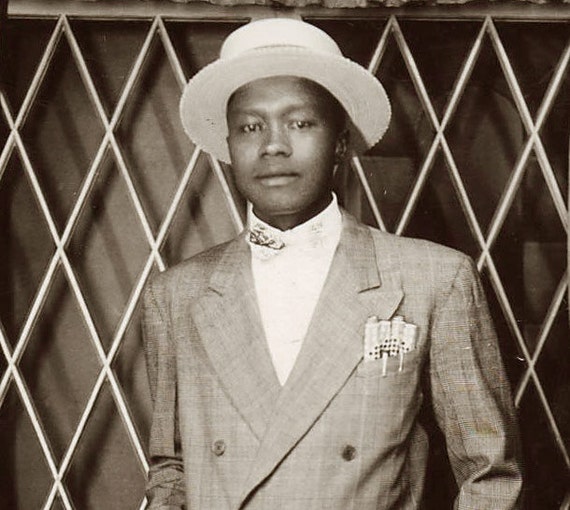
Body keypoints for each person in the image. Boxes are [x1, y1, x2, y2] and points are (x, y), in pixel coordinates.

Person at [142, 17, 523, 509]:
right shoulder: (176, 294)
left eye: (300, 123)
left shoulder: (434, 278)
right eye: (250, 126)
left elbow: (489, 471)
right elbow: (171, 470)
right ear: (230, 150)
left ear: (341, 143)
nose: (273, 144)